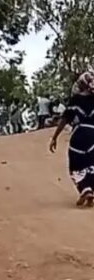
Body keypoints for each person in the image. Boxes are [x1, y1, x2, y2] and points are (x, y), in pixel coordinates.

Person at [50, 70, 94, 207]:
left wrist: (54, 137)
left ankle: (85, 189)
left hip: (78, 135)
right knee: (91, 163)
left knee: (76, 165)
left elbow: (64, 119)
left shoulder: (75, 100)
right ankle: (90, 188)